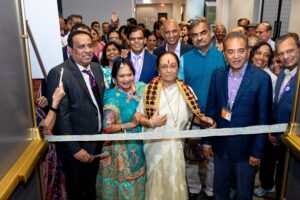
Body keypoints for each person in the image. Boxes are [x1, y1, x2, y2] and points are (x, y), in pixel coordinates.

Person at [203, 32, 273, 200]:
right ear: (224, 53)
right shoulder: (217, 75)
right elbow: (211, 108)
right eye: (231, 51)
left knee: (243, 192)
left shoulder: (262, 79)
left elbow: (264, 119)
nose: (236, 56)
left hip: (246, 150)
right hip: (221, 146)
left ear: (248, 52)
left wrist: (257, 151)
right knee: (219, 190)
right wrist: (206, 140)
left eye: (241, 51)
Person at [136, 52, 215, 200]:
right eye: (164, 66)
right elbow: (138, 116)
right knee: (156, 183)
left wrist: (206, 123)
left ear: (178, 68)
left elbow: (194, 118)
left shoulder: (187, 91)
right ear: (158, 69)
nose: (169, 70)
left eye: (173, 66)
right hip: (154, 146)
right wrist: (150, 122)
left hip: (176, 145)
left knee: (175, 181)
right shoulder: (149, 90)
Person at [47, 30, 105, 200]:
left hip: (96, 144)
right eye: (81, 47)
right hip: (76, 151)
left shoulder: (96, 68)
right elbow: (61, 116)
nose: (87, 50)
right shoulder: (60, 73)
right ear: (70, 51)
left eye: (89, 45)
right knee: (77, 192)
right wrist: (75, 149)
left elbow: (98, 106)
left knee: (90, 189)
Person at [179, 20, 226, 199]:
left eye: (203, 33)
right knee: (191, 157)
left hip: (218, 118)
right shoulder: (185, 59)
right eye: (194, 35)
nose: (199, 38)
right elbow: (182, 88)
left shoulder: (223, 56)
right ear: (190, 38)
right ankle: (194, 189)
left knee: (214, 157)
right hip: (194, 118)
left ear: (211, 33)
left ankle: (211, 190)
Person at [255, 33, 299, 199]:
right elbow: (277, 104)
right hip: (277, 135)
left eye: (290, 51)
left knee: (289, 179)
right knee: (280, 175)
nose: (285, 57)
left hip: (292, 138)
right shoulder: (282, 73)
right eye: (280, 53)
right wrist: (271, 131)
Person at [96, 58, 146, 200]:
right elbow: (107, 126)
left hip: (139, 144)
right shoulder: (112, 96)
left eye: (129, 75)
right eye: (122, 76)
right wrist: (130, 125)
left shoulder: (140, 89)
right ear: (114, 78)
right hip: (120, 150)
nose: (126, 79)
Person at [39, 83, 67, 200]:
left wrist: (39, 107)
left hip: (51, 159)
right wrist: (55, 102)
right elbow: (44, 131)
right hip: (42, 163)